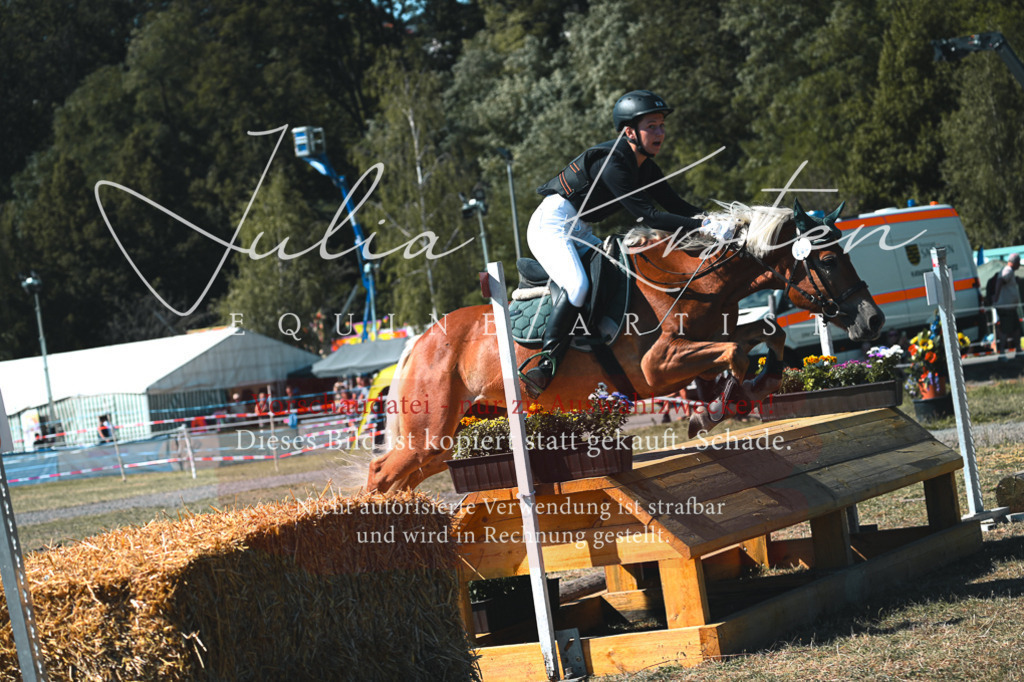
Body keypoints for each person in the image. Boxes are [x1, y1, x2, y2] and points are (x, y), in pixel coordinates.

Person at [521, 89, 713, 397]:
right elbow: (649, 216)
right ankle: (546, 364)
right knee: (578, 286)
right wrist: (703, 226)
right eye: (652, 125)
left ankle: (598, 341)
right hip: (551, 225)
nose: (660, 132)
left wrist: (717, 218)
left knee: (620, 273)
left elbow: (676, 205)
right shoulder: (613, 163)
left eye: (662, 125)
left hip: (579, 227)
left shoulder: (645, 167)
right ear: (629, 131)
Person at [994, 252, 1022, 355]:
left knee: (1015, 329)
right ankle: (1002, 351)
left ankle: (1018, 349)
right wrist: (996, 297)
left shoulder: (1010, 271)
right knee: (1005, 329)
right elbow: (1000, 281)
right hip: (1006, 307)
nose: (1019, 265)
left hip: (1010, 307)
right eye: (1018, 262)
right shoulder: (1007, 270)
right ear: (1015, 262)